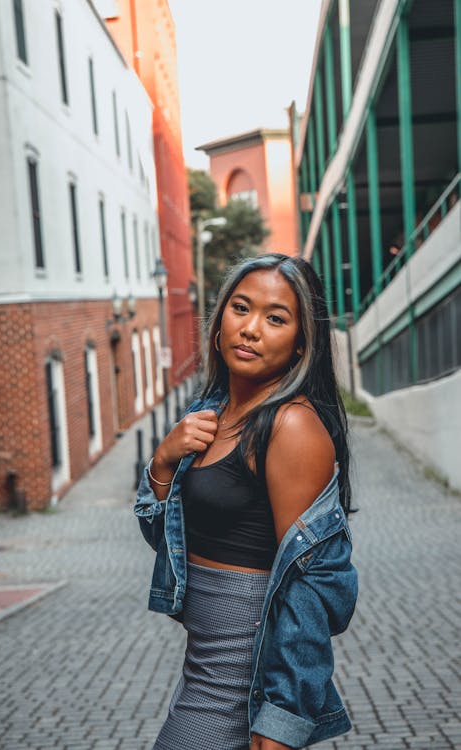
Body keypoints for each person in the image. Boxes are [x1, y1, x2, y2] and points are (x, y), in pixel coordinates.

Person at [135, 253, 358, 750]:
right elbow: (171, 545)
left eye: (275, 318)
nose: (251, 328)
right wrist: (163, 462)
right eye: (241, 308)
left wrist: (281, 720)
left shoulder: (291, 426)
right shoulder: (209, 414)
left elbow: (315, 587)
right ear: (219, 323)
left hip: (242, 688)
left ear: (302, 342)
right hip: (200, 675)